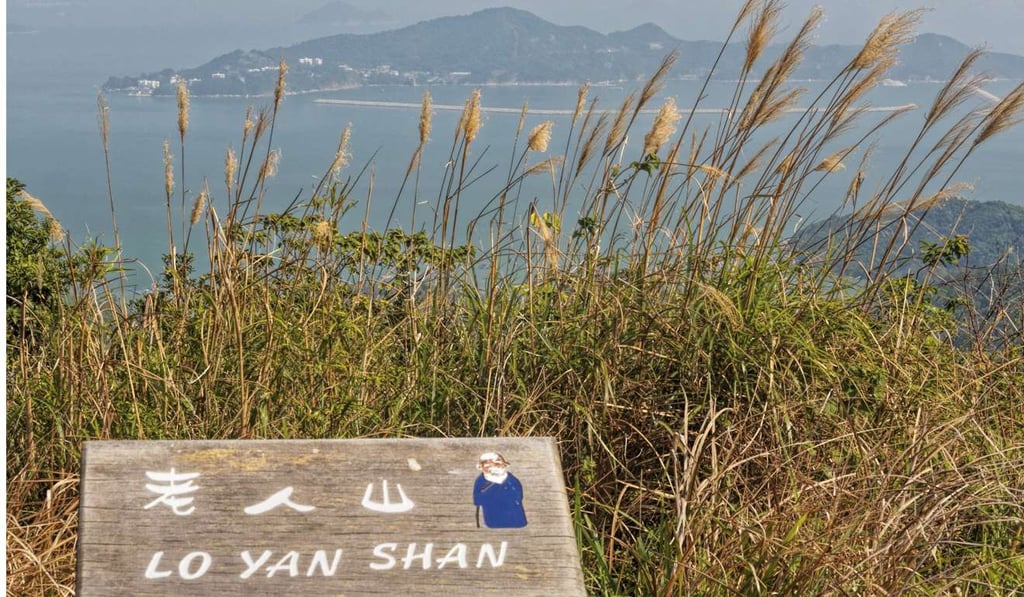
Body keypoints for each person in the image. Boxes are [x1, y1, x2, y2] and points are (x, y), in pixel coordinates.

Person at [473, 452, 527, 528]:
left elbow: (518, 496)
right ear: (480, 467)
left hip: (515, 518)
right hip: (493, 520)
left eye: (497, 464)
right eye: (487, 464)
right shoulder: (481, 481)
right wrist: (494, 488)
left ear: (504, 465)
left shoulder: (511, 480)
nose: (492, 465)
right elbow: (477, 501)